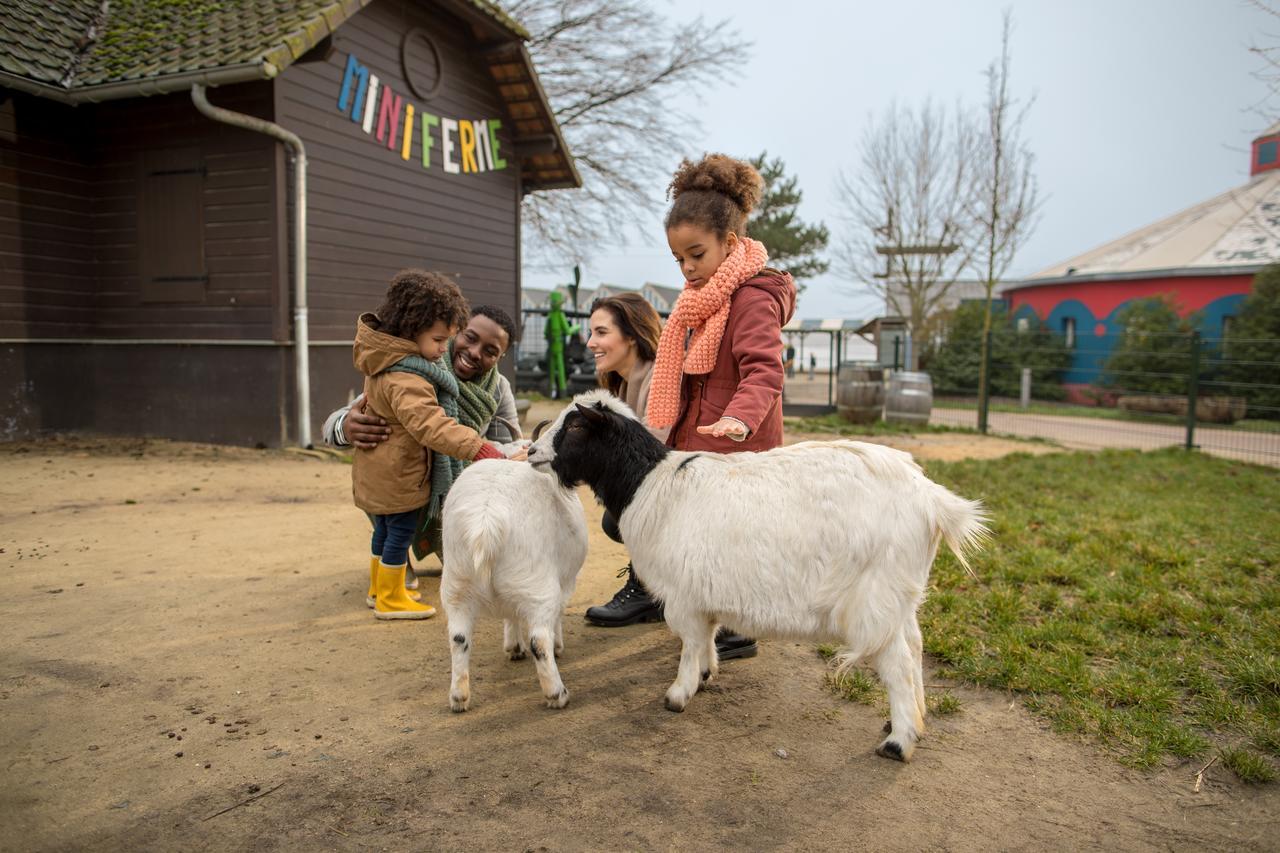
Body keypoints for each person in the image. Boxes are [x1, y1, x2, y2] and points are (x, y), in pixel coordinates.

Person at [589, 153, 797, 662]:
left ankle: (736, 628)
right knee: (690, 536)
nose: (687, 269)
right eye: (678, 258)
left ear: (730, 243)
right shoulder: (696, 300)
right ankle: (678, 605)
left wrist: (739, 419)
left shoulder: (751, 298)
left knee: (726, 542)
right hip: (697, 439)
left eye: (696, 255)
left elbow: (764, 371)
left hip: (732, 442)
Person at [325, 304, 523, 588]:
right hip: (402, 481)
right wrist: (345, 426)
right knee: (386, 475)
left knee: (473, 573)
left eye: (491, 351)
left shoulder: (498, 388)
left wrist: (509, 454)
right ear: (456, 331)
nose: (475, 352)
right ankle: (395, 559)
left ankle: (456, 544)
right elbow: (336, 421)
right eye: (470, 337)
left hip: (453, 491)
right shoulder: (417, 367)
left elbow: (507, 446)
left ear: (500, 357)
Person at [350, 270, 506, 620]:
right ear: (412, 329)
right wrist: (477, 447)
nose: (442, 349)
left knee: (385, 532)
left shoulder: (384, 360)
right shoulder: (408, 376)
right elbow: (432, 425)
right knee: (400, 533)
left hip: (381, 471)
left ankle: (380, 588)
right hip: (400, 474)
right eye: (438, 340)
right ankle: (392, 598)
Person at [578, 293, 668, 627]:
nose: (590, 343)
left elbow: (651, 460)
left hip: (676, 492)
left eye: (601, 333)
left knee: (618, 519)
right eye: (591, 333)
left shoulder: (659, 381)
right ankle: (656, 587)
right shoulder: (621, 383)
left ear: (631, 335)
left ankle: (648, 588)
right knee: (615, 518)